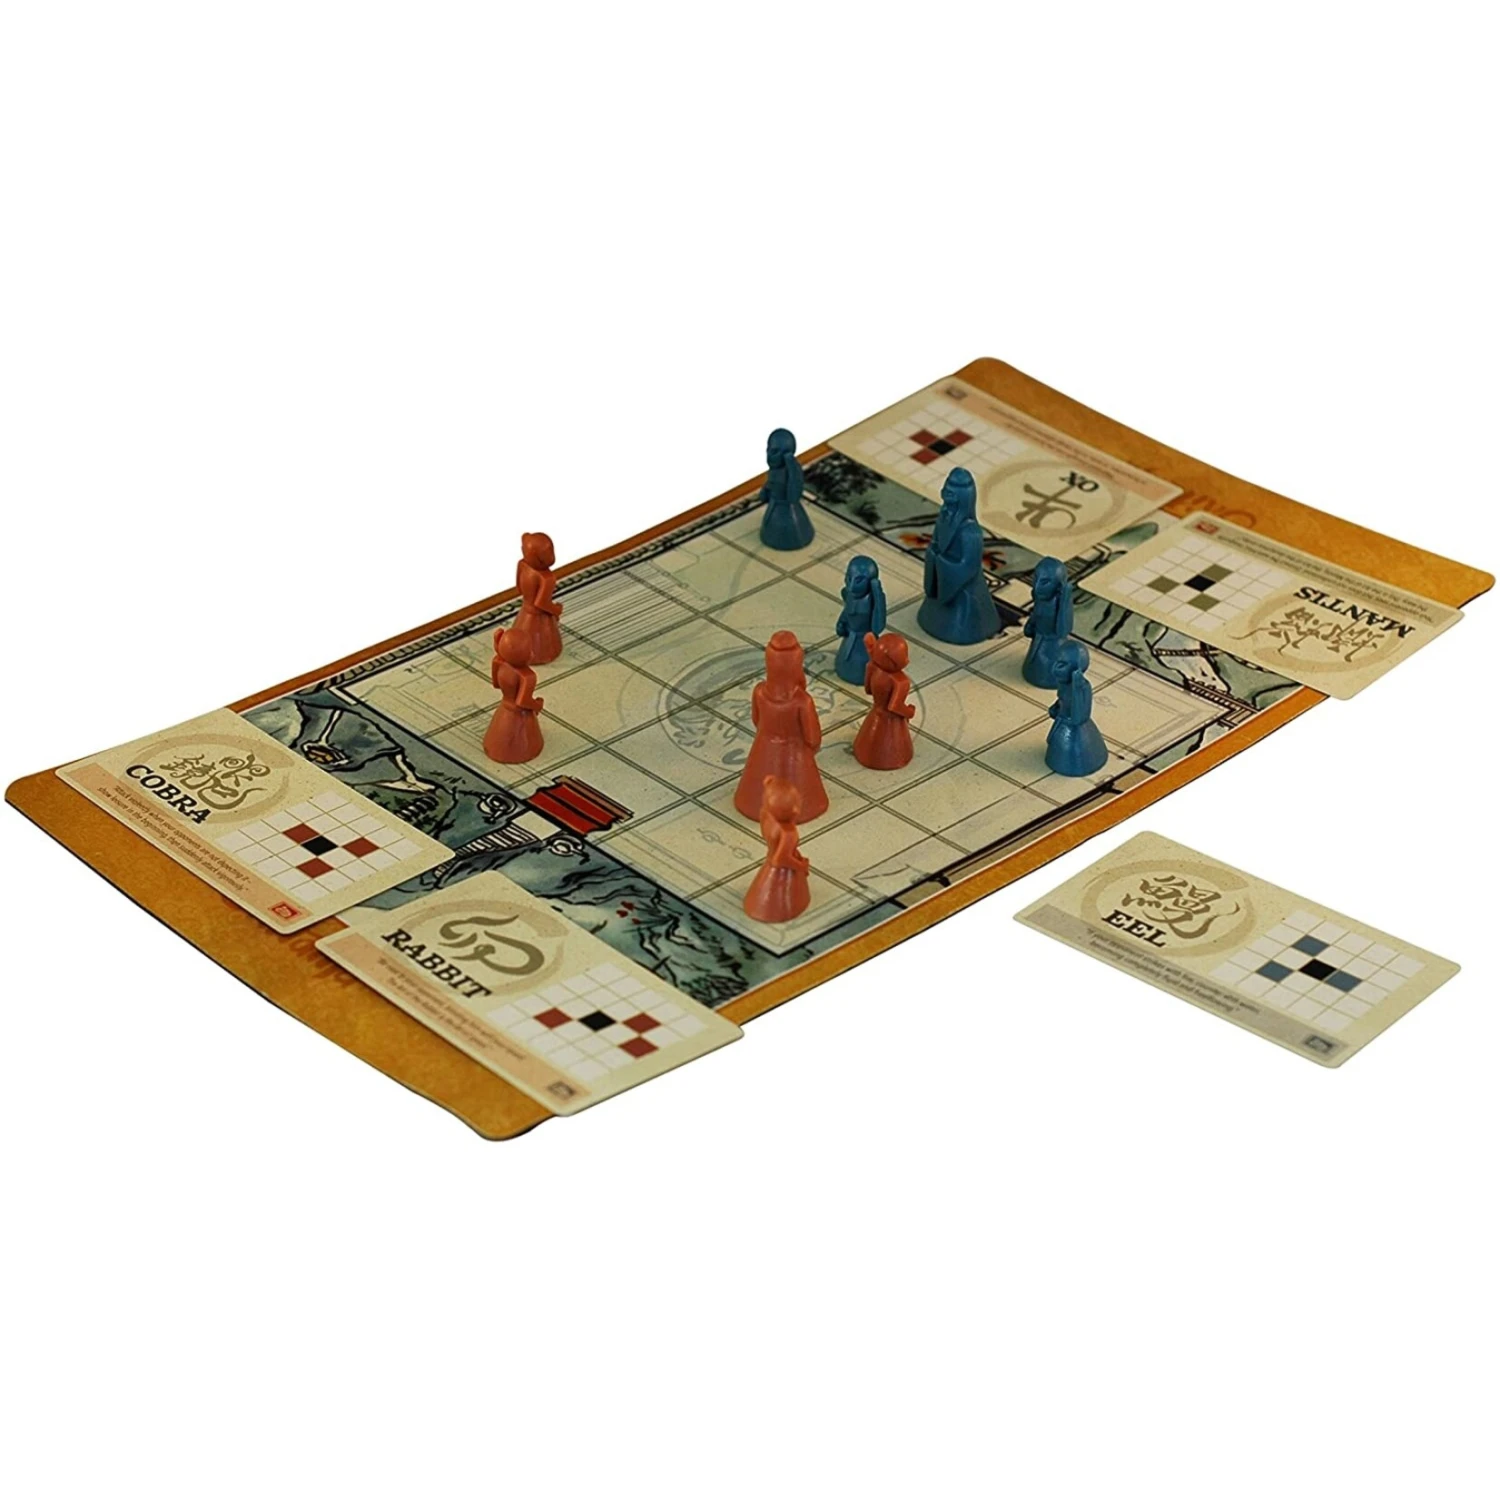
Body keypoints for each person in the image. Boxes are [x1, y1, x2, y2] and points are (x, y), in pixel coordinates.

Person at [733, 630, 828, 821]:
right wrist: (809, 750)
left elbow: (756, 720)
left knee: (754, 795)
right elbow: (812, 738)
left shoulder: (759, 692)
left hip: (763, 750)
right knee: (805, 799)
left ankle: (754, 803)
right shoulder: (802, 701)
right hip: (796, 756)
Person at [834, 555, 887, 684]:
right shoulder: (849, 595)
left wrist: (878, 595)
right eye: (848, 578)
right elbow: (847, 611)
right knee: (846, 660)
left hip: (866, 642)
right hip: (850, 636)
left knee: (863, 665)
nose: (851, 585)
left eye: (859, 581)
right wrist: (841, 622)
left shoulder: (872, 601)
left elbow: (878, 625)